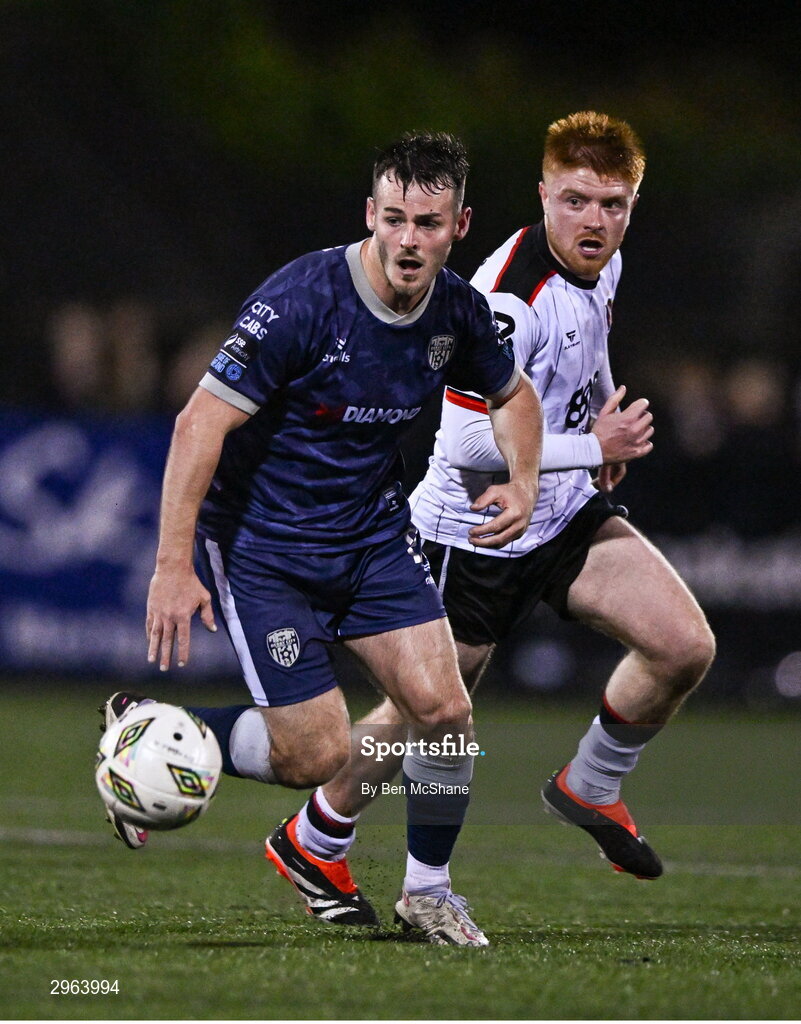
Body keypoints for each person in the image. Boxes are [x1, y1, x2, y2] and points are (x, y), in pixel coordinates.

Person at [99, 132, 543, 948]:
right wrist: (172, 563)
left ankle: (429, 894)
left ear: (460, 225)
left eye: (430, 223)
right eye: (397, 219)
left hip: (370, 539)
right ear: (370, 215)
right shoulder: (301, 301)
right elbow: (198, 423)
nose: (411, 240)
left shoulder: (456, 311)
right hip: (265, 549)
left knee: (445, 710)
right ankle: (156, 728)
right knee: (313, 754)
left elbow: (512, 395)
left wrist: (521, 478)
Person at [278, 111, 716, 917]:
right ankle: (319, 833)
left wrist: (595, 424)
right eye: (578, 200)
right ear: (543, 193)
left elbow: (580, 362)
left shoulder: (600, 267)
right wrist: (591, 444)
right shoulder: (509, 300)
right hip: (470, 530)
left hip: (558, 516)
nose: (595, 221)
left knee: (682, 646)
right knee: (426, 715)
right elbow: (467, 442)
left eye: (613, 204)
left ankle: (588, 785)